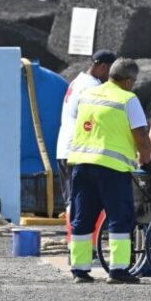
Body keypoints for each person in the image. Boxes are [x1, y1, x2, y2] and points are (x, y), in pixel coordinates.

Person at [67, 58, 151, 284]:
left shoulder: (88, 94)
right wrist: (146, 161)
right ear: (128, 81)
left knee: (82, 218)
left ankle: (79, 269)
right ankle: (118, 270)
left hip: (81, 165)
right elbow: (142, 137)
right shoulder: (128, 99)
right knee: (119, 218)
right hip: (112, 169)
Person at [55, 50, 116, 210]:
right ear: (103, 66)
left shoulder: (77, 81)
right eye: (111, 70)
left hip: (64, 147)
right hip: (77, 150)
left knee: (72, 201)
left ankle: (73, 234)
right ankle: (75, 235)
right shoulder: (93, 86)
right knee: (79, 203)